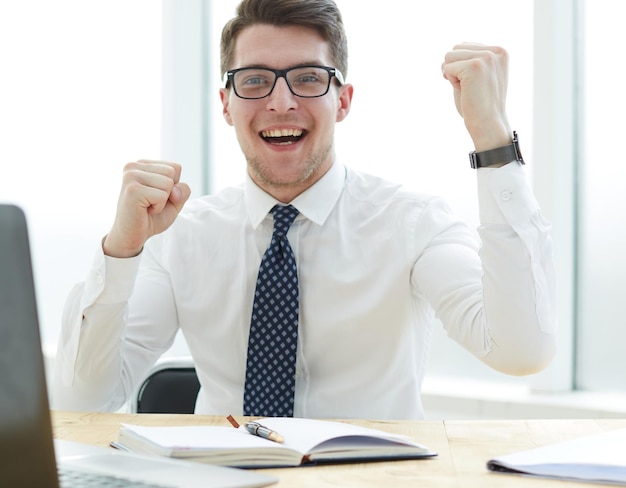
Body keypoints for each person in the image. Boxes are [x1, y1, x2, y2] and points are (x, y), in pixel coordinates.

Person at [52, 0, 556, 420]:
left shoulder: (414, 224)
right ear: (226, 104)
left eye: (308, 78)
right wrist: (121, 250)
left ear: (343, 100)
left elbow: (522, 351)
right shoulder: (182, 234)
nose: (281, 102)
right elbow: (85, 400)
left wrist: (493, 142)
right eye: (254, 81)